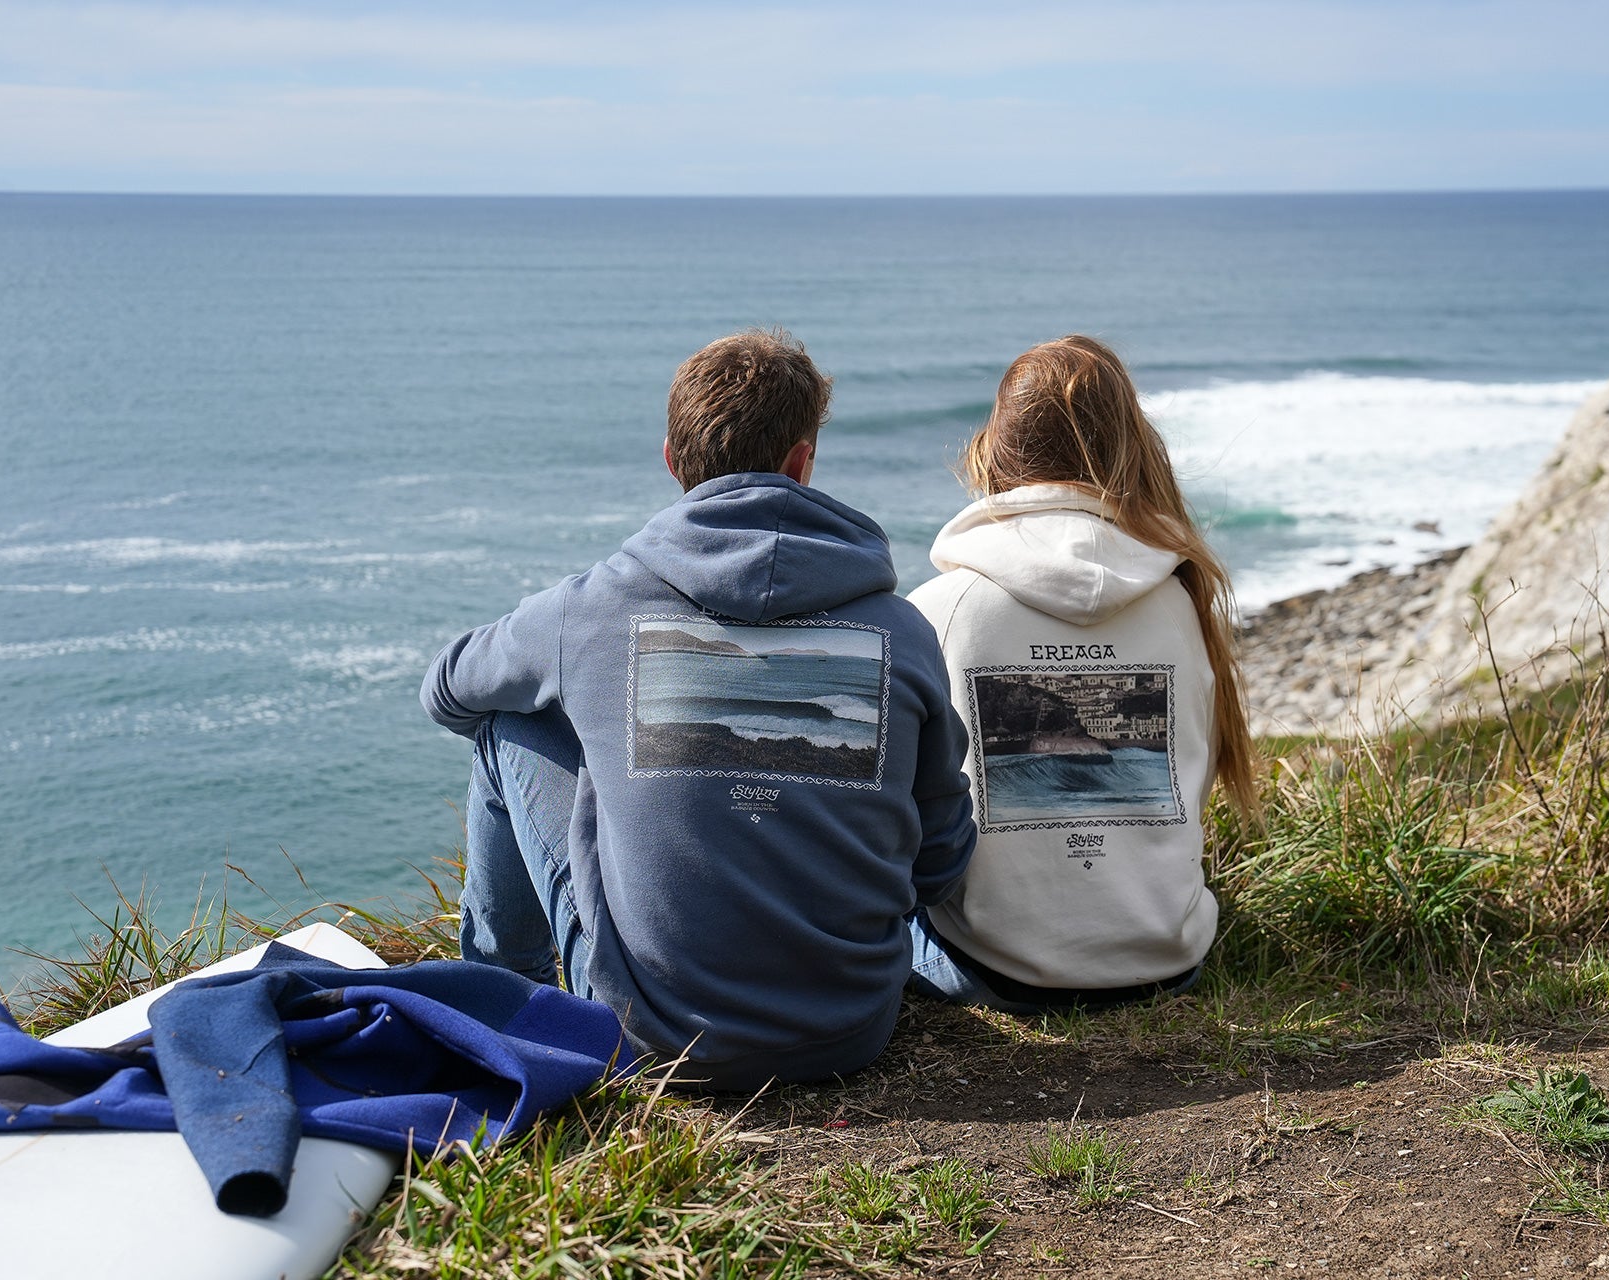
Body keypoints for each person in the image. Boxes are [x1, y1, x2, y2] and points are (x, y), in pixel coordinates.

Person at [421, 329, 977, 1090]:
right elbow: (941, 858)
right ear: (801, 462)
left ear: (673, 463)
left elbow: (448, 687)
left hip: (653, 1036)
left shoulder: (591, 608)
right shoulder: (901, 631)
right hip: (851, 1027)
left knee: (505, 723)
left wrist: (603, 723)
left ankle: (505, 1000)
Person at [904, 335, 1259, 1014]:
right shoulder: (1181, 602)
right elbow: (1193, 781)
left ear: (996, 453)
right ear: (1129, 445)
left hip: (997, 971)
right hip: (1165, 961)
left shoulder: (941, 610)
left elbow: (912, 818)